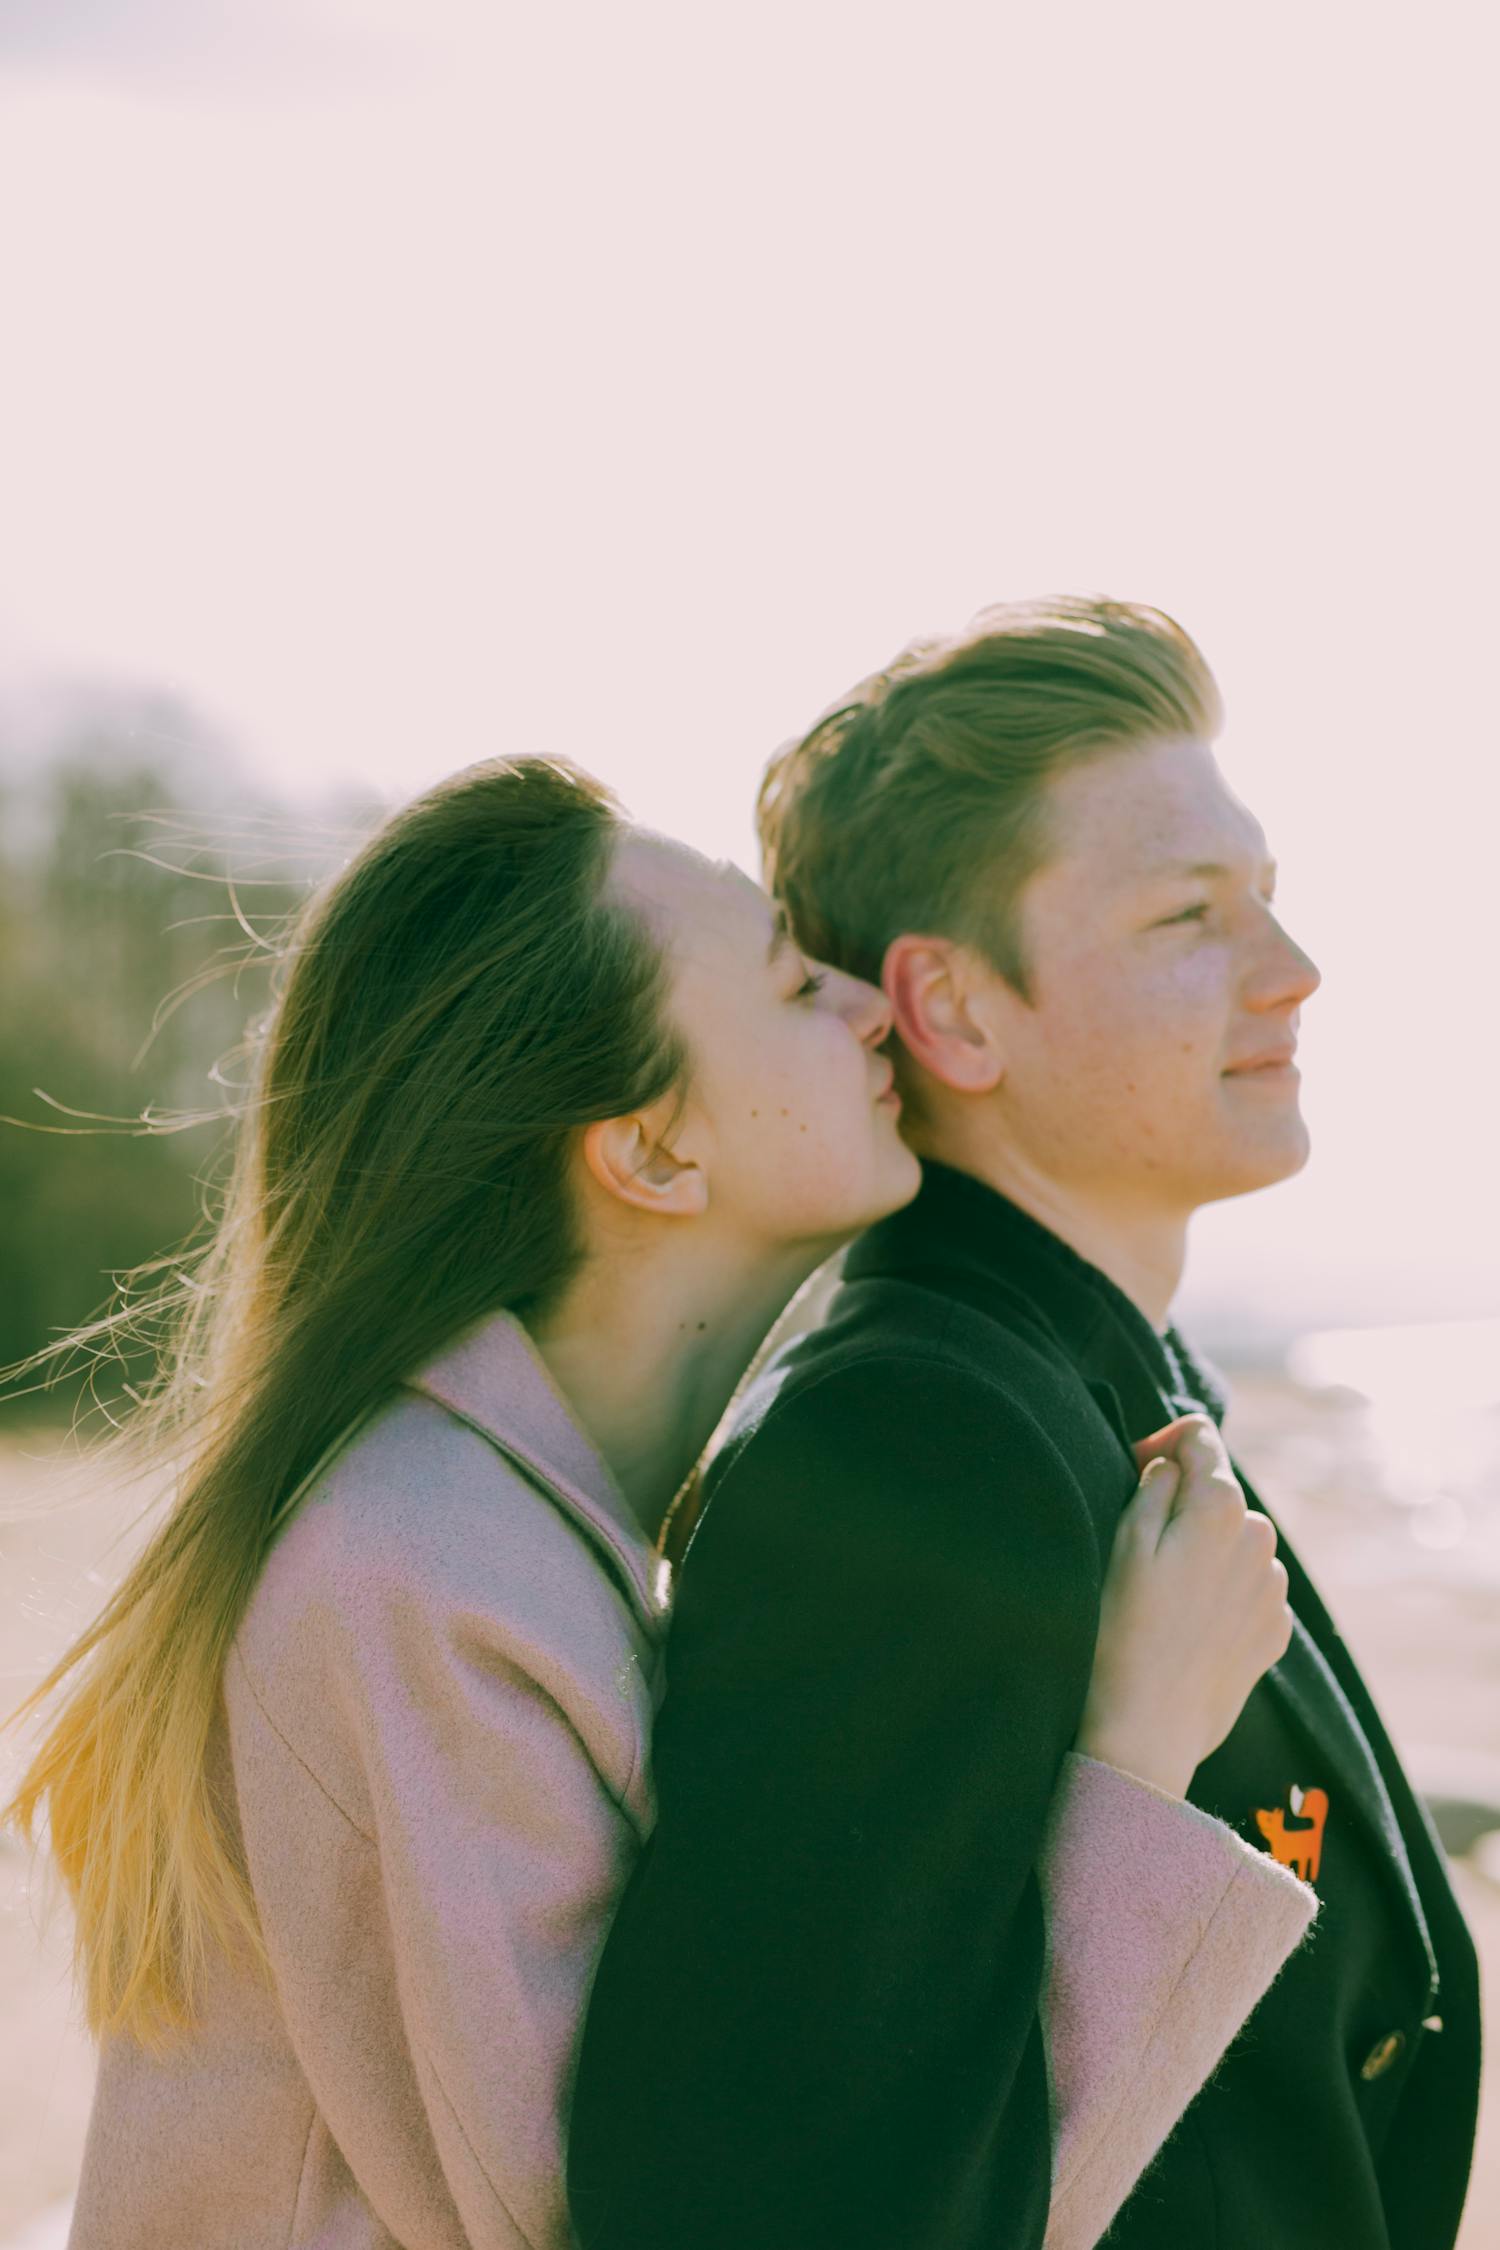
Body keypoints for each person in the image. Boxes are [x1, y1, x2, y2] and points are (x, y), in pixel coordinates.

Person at [4, 753, 1307, 2250]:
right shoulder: (419, 1577)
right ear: (651, 1148)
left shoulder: (495, 1525)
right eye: (786, 985)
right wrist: (1137, 1751)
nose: (871, 1002)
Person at [567, 600, 1482, 2250]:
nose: (1291, 970)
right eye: (1188, 916)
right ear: (960, 1012)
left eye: (1263, 894)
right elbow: (767, 2211)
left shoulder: (1089, 1369)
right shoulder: (919, 1441)